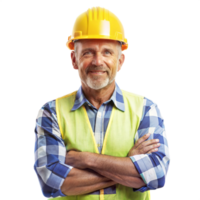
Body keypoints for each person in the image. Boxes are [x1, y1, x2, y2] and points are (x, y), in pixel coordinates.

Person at [32, 6, 171, 200]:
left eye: (107, 52)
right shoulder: (51, 112)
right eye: (88, 52)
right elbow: (51, 182)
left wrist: (84, 159)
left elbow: (156, 175)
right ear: (73, 60)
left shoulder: (147, 109)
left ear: (121, 60)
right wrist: (128, 166)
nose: (98, 61)